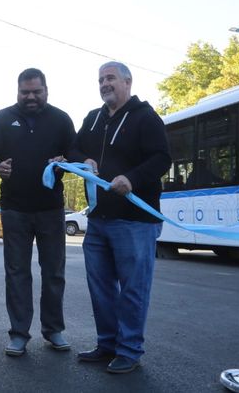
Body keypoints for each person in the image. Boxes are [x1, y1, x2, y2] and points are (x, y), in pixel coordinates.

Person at [68, 61, 171, 374]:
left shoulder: (145, 117)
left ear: (128, 81)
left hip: (135, 220)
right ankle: (108, 344)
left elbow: (162, 158)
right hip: (98, 219)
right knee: (100, 287)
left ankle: (129, 350)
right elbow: (72, 148)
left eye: (110, 78)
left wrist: (133, 179)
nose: (104, 84)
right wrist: (81, 158)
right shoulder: (93, 118)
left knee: (132, 289)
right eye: (100, 79)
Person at [0, 68, 76, 356]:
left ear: (46, 90)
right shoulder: (2, 118)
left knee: (54, 272)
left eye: (37, 91)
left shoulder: (61, 119)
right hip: (14, 208)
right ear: (17, 91)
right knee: (17, 272)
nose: (31, 96)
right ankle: (19, 333)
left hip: (51, 208)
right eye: (25, 92)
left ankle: (53, 330)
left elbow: (76, 153)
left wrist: (66, 160)